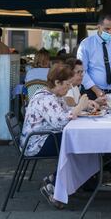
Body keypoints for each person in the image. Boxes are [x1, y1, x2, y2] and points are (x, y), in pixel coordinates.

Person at [20, 64, 89, 209]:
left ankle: (55, 180)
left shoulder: (53, 96)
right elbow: (61, 122)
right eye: (67, 84)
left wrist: (83, 107)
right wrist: (80, 106)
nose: (70, 88)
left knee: (78, 145)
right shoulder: (45, 99)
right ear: (57, 82)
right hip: (35, 144)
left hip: (41, 138)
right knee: (76, 146)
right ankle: (54, 186)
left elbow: (65, 112)